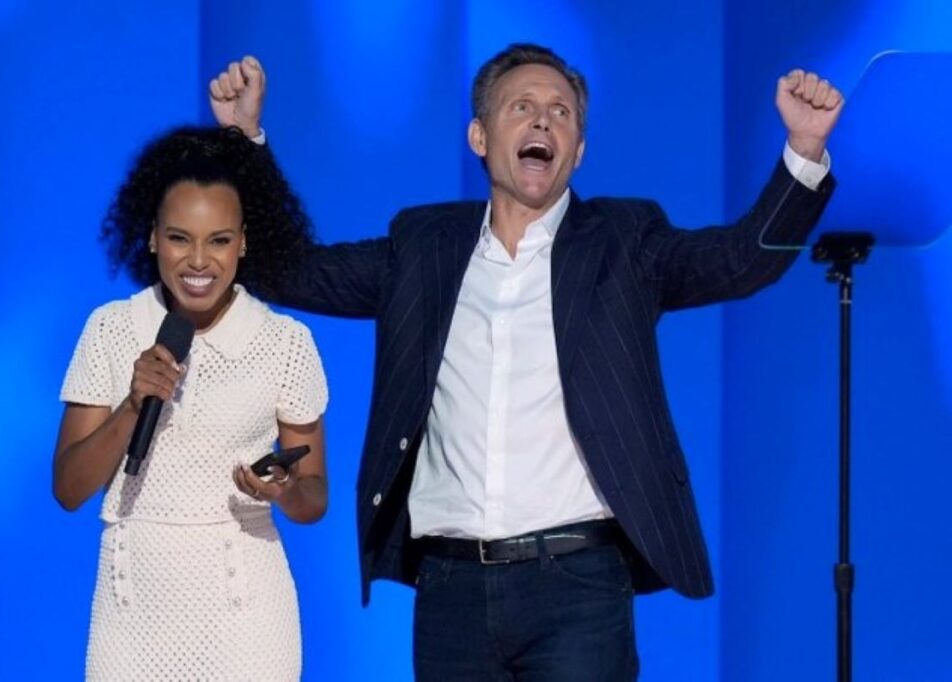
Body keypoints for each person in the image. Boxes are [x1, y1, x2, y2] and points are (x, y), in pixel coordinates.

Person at [210, 46, 842, 680]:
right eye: (522, 107)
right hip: (450, 587)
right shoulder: (423, 245)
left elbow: (743, 260)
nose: (543, 121)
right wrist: (242, 141)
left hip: (579, 586)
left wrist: (805, 151)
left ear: (579, 150)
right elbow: (288, 272)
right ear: (480, 137)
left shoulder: (625, 241)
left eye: (561, 112)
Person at [53, 125, 327, 681]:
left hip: (248, 616)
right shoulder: (110, 331)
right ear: (153, 237)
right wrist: (133, 404)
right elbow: (69, 489)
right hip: (131, 615)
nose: (198, 261)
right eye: (180, 238)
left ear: (244, 241)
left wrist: (285, 488)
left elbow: (314, 498)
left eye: (219, 240)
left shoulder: (284, 342)